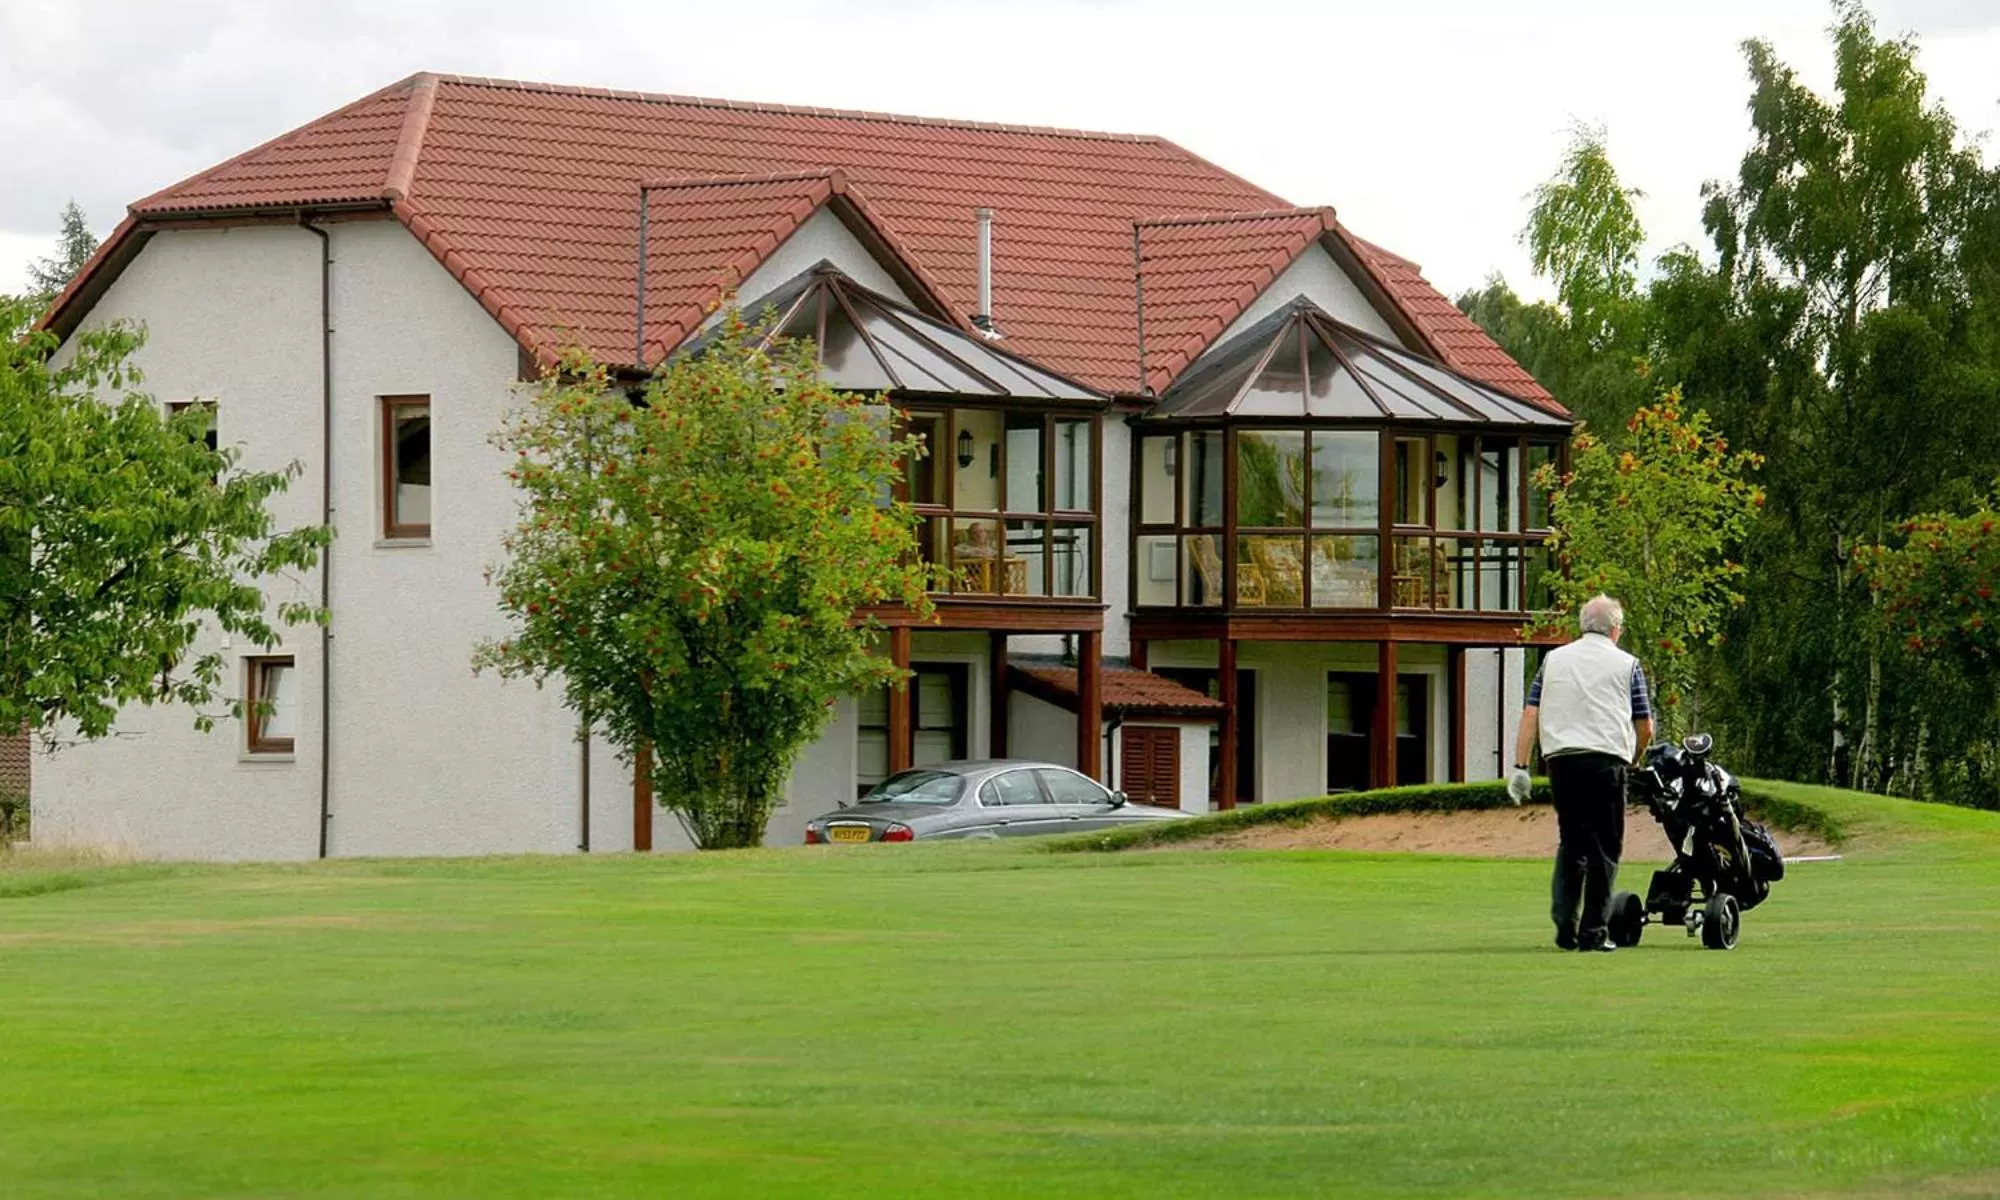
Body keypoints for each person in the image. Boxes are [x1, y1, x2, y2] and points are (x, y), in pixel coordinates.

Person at [1508, 594, 1654, 952]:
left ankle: (1564, 923)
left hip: (1563, 761)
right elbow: (1645, 725)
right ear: (1616, 629)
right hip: (1607, 761)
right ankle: (1592, 933)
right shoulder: (1628, 664)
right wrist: (1633, 759)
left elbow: (1531, 714)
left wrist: (1520, 766)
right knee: (1604, 847)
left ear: (1582, 626)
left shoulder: (1553, 660)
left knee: (1572, 842)